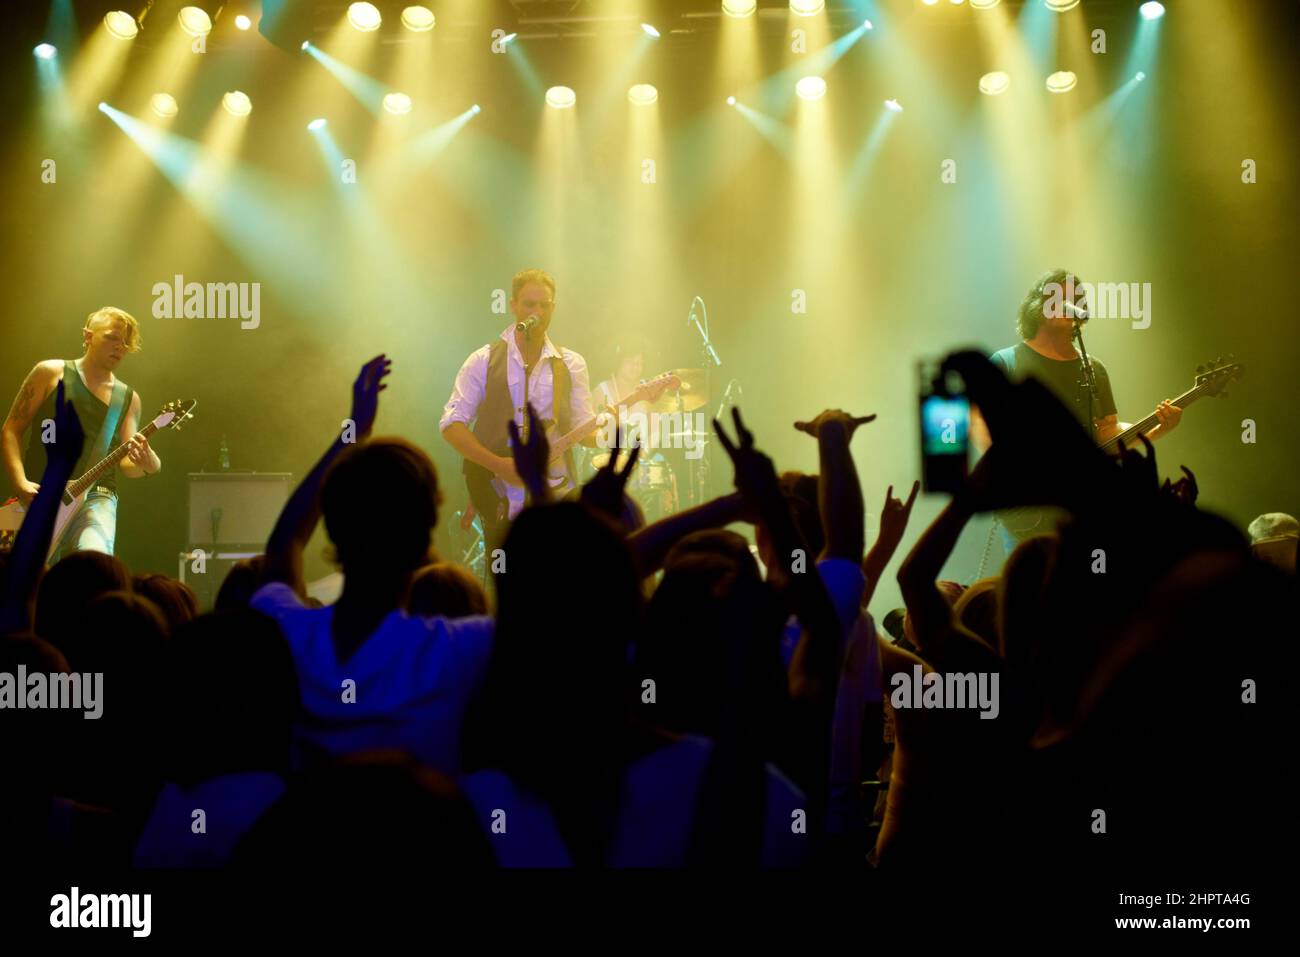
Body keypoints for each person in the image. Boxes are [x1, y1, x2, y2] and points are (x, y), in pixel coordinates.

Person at [972, 270, 1181, 550]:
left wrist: (1156, 428)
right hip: (1029, 509)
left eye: (1076, 298)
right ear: (1038, 304)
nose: (1069, 302)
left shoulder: (1093, 369)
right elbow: (981, 429)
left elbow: (1107, 431)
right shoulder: (1006, 362)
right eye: (1059, 296)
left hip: (1083, 507)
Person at [440, 268, 604, 554]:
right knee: (507, 581)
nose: (538, 311)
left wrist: (609, 427)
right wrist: (496, 464)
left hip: (556, 493)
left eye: (545, 305)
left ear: (553, 308)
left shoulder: (571, 364)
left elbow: (585, 430)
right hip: (499, 492)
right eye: (530, 304)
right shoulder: (484, 359)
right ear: (513, 305)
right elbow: (452, 424)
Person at [1, 307, 161, 559]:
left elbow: (129, 465)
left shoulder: (128, 398)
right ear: (88, 336)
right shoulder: (50, 372)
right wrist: (20, 483)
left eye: (125, 342)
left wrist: (148, 464)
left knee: (95, 563)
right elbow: (11, 429)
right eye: (111, 337)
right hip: (40, 492)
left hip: (96, 496)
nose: (120, 347)